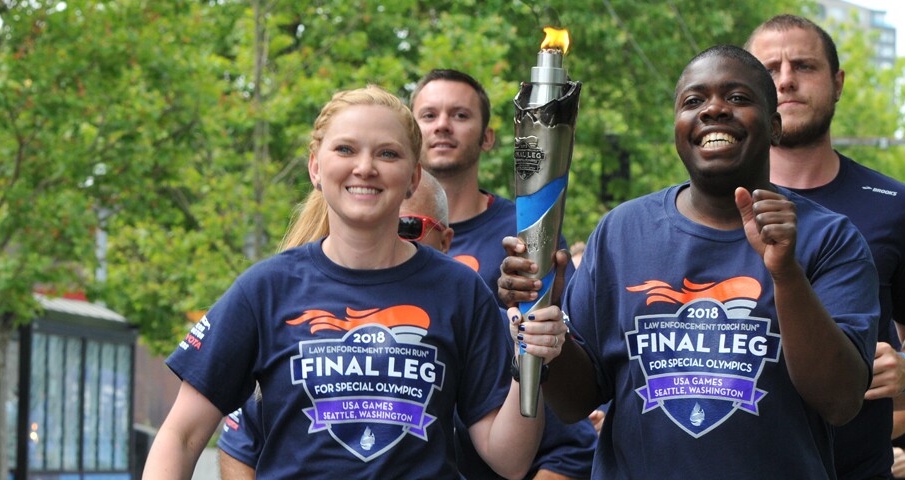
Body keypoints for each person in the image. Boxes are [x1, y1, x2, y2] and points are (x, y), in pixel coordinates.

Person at [500, 45, 879, 478]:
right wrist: (550, 336)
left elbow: (841, 401)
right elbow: (575, 403)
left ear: (775, 127)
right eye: (693, 101)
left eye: (738, 98)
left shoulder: (831, 238)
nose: (714, 109)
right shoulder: (621, 232)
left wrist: (786, 273)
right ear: (678, 128)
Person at [144, 85, 556, 479]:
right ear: (315, 167)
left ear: (414, 177)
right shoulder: (266, 289)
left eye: (387, 154)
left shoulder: (460, 291)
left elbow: (510, 460)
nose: (365, 167)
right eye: (345, 149)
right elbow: (180, 436)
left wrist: (529, 364)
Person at [746, 15, 905, 479]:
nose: (785, 80)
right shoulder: (703, 206)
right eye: (770, 69)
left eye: (804, 66)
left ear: (837, 83)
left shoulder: (897, 207)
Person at [412, 69, 596, 480]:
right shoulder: (373, 250)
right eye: (428, 115)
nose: (442, 125)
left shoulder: (525, 231)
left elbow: (567, 431)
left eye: (459, 115)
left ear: (489, 136)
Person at [217, 172, 457, 478]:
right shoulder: (283, 300)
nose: (389, 237)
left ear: (446, 240)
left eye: (407, 227)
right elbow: (237, 443)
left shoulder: (463, 303)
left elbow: (525, 452)